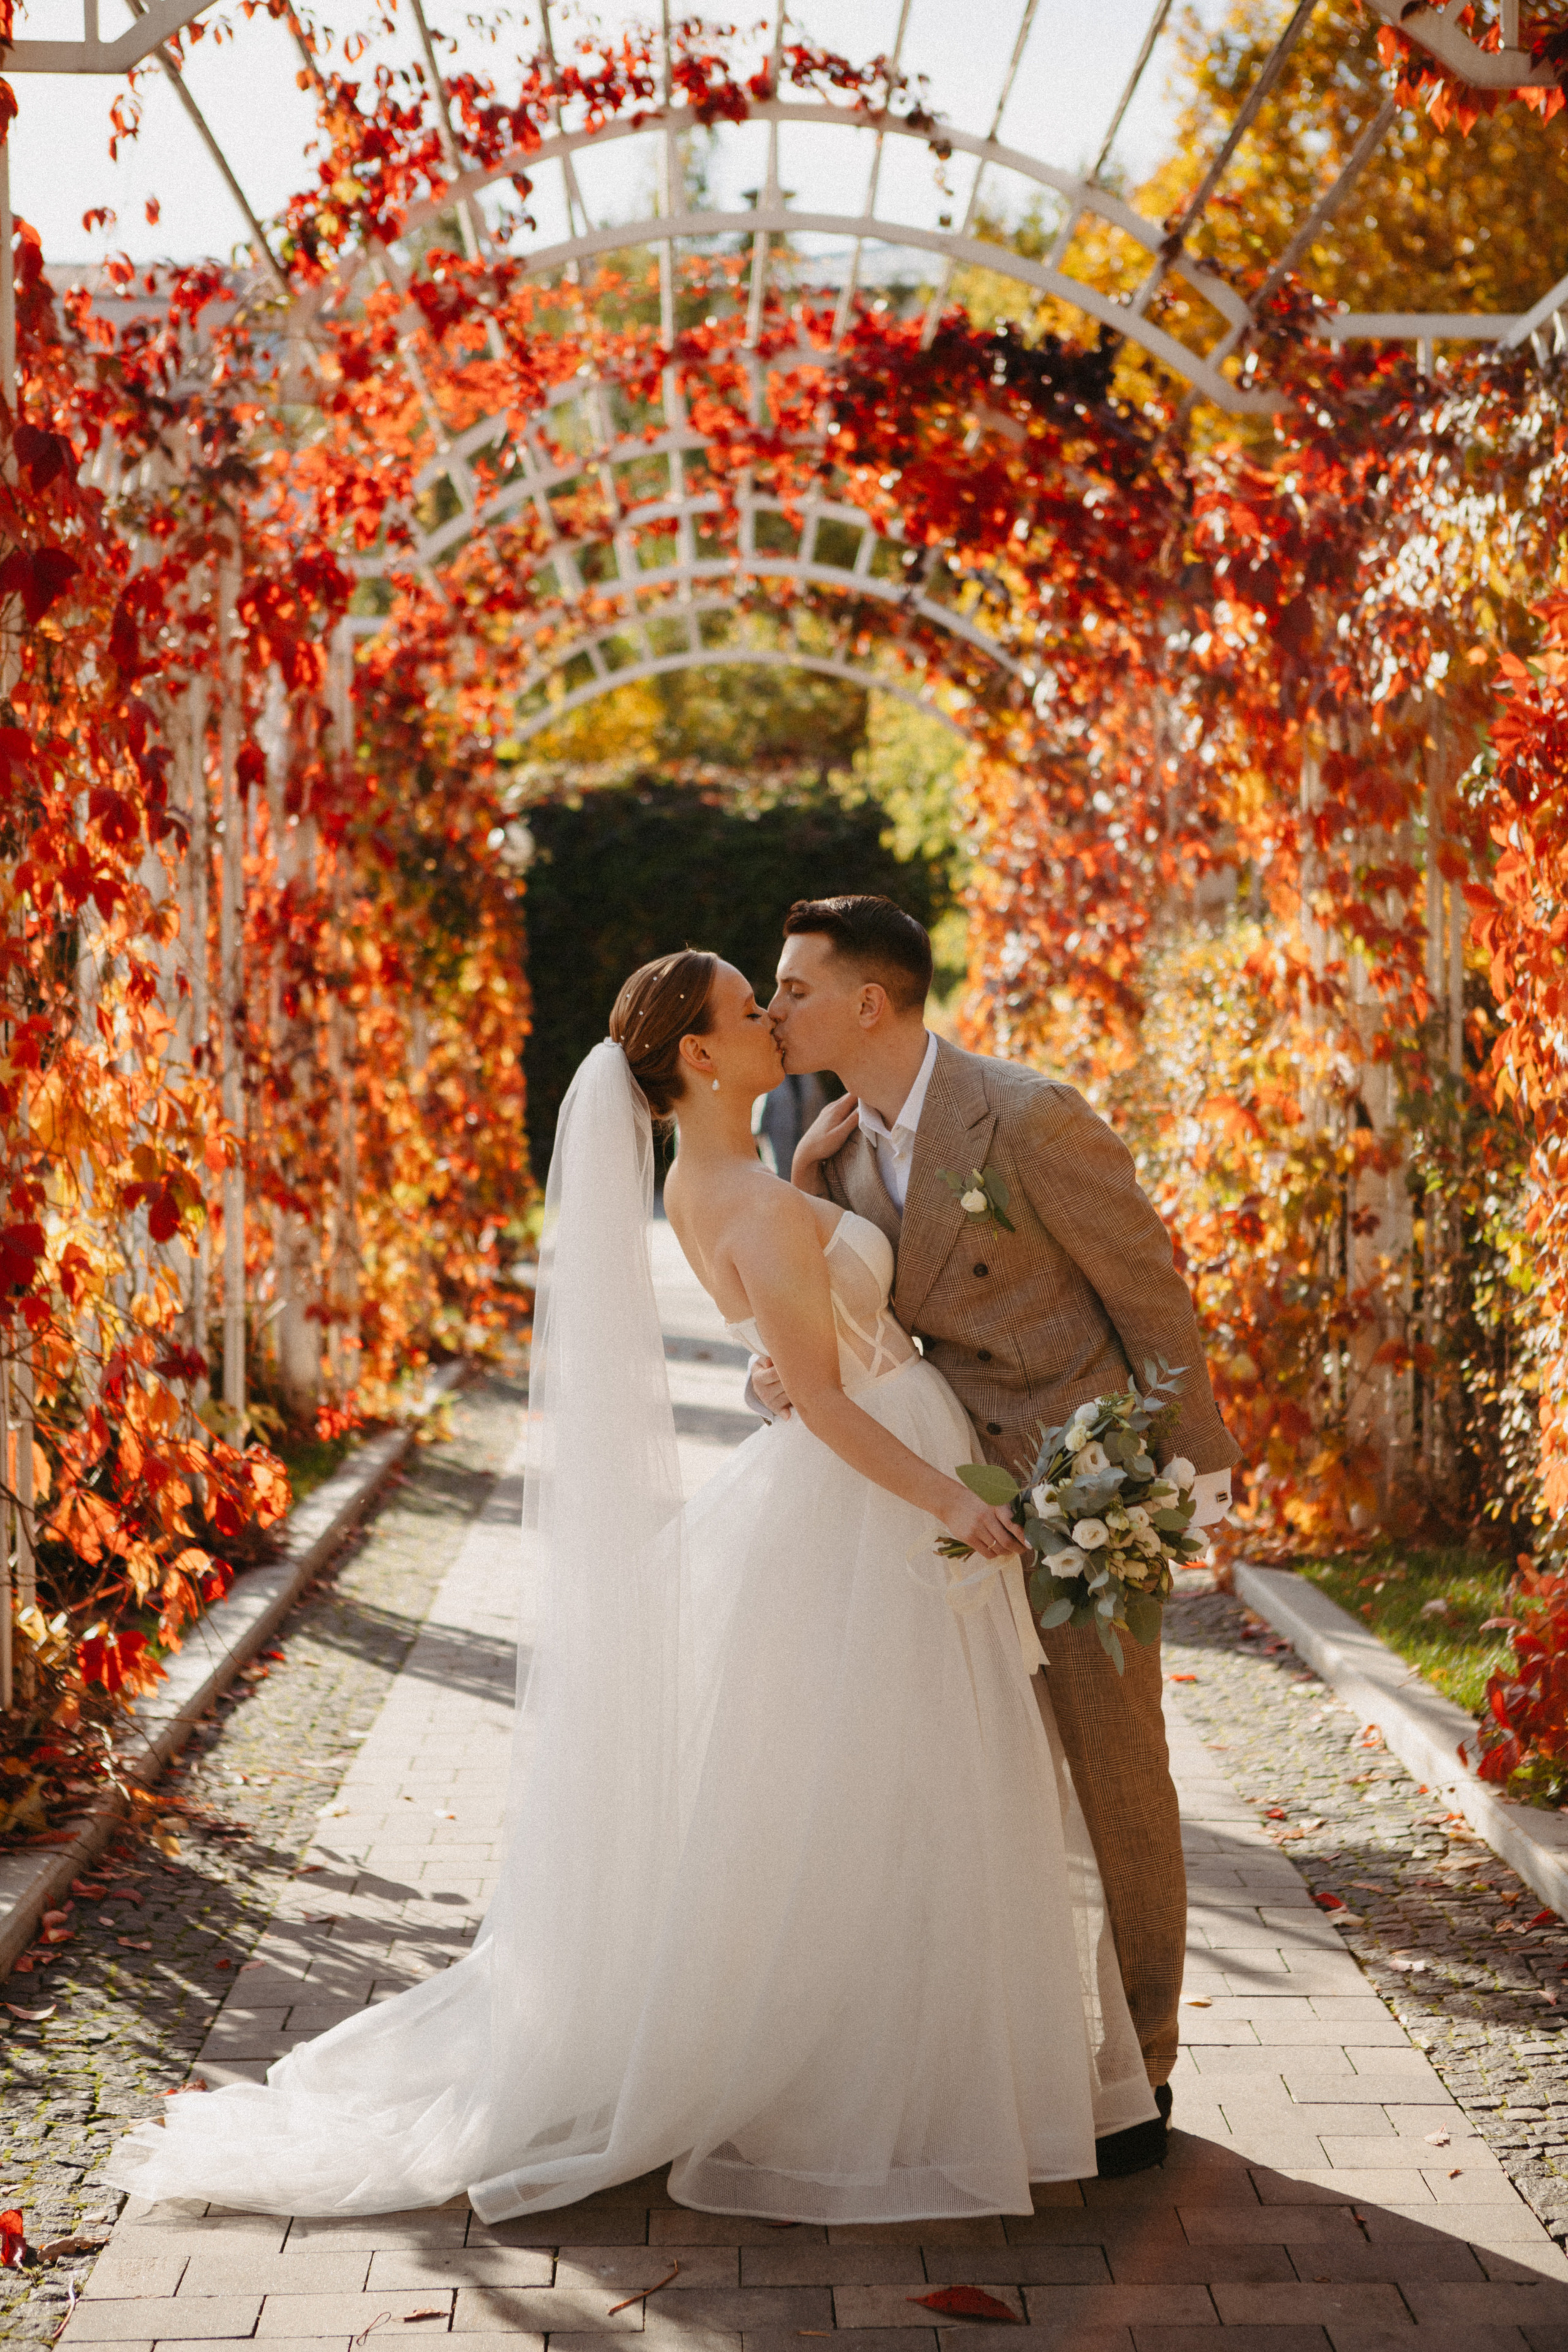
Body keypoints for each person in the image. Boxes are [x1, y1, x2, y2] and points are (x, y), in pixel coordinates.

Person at [104, 948, 1155, 2226]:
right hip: (881, 1486)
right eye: (744, 1010)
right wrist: (942, 1498)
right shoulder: (754, 1203)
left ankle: (897, 2046)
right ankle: (878, 2075)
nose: (771, 1018)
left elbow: (796, 1338)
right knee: (905, 1787)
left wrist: (817, 1178)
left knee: (870, 1793)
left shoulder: (713, 1178)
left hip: (858, 1478)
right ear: (700, 1057)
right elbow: (820, 1395)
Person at [753, 894, 1241, 2175]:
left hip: (1078, 1498)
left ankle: (1139, 2069)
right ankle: (986, 2051)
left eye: (794, 986)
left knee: (1114, 1777)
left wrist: (1174, 1481)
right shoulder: (834, 1146)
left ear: (870, 1001)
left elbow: (1152, 1302)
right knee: (962, 1784)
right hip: (940, 1504)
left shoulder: (1026, 1116)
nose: (772, 1007)